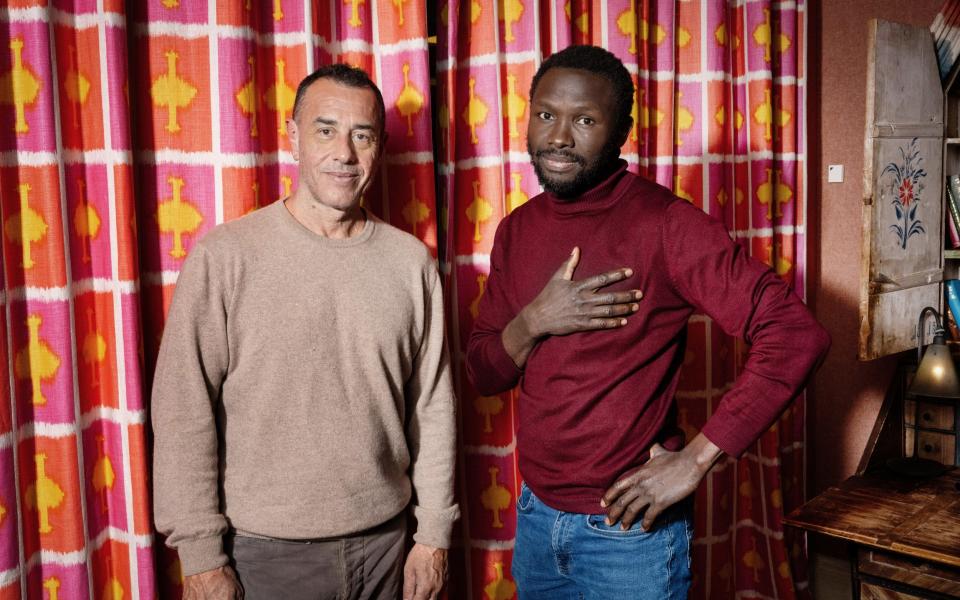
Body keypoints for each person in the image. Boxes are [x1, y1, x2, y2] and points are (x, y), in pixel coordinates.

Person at [465, 45, 830, 598]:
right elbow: (483, 371)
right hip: (536, 520)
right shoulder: (517, 230)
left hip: (628, 535)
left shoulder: (665, 223)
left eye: (585, 120)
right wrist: (534, 320)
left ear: (621, 131)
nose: (559, 137)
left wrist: (698, 458)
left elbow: (796, 334)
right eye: (545, 114)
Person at [152, 64, 459, 600]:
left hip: (387, 547)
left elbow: (432, 407)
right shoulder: (226, 257)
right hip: (262, 557)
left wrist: (432, 539)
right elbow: (184, 407)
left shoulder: (411, 263)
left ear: (379, 148)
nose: (344, 152)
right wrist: (201, 556)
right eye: (325, 130)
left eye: (361, 135)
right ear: (292, 137)